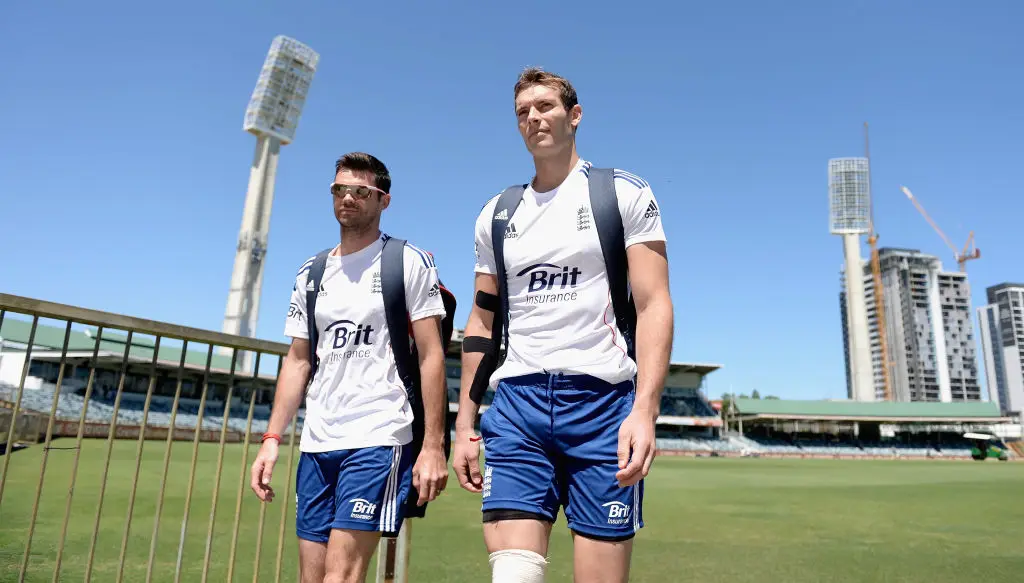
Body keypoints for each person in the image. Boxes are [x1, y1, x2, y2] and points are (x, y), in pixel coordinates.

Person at [453, 68, 674, 583]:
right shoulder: (496, 215)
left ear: (574, 116)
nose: (534, 118)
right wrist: (465, 422)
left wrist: (646, 409)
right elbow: (482, 322)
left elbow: (654, 305)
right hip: (517, 406)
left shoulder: (621, 194)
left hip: (601, 406)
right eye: (523, 112)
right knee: (514, 575)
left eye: (546, 106)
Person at [250, 152, 450, 583]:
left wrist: (433, 446)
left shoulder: (407, 261)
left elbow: (432, 355)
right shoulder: (311, 272)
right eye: (340, 189)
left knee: (341, 576)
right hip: (319, 442)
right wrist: (271, 439)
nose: (349, 198)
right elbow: (298, 360)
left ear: (384, 201)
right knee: (312, 577)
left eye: (363, 191)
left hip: (379, 436)